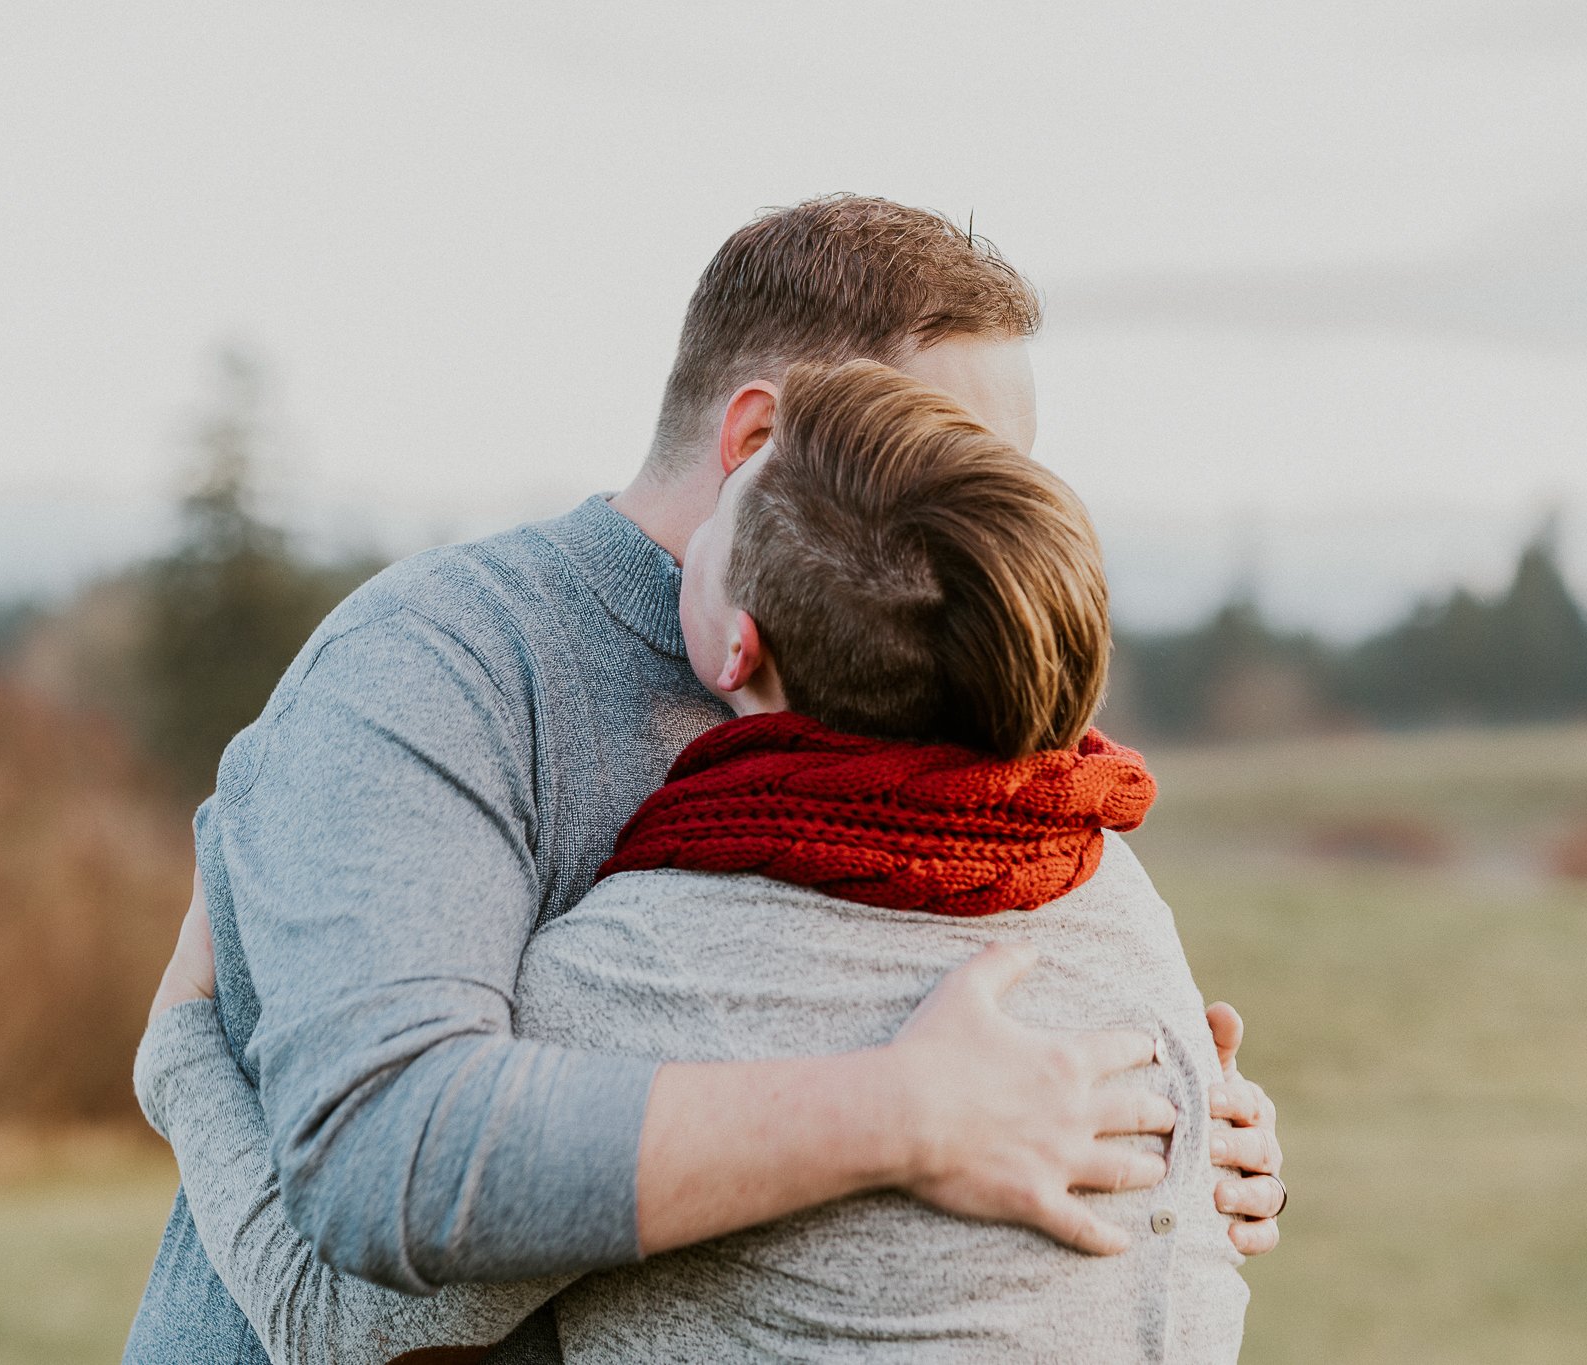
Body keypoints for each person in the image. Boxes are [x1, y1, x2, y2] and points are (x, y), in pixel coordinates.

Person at [123, 196, 1284, 1364]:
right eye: (944, 452)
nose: (987, 523)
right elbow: (397, 1166)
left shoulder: (936, 718)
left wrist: (1181, 1138)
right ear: (757, 443)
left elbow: (1014, 1027)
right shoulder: (437, 661)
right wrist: (908, 1115)